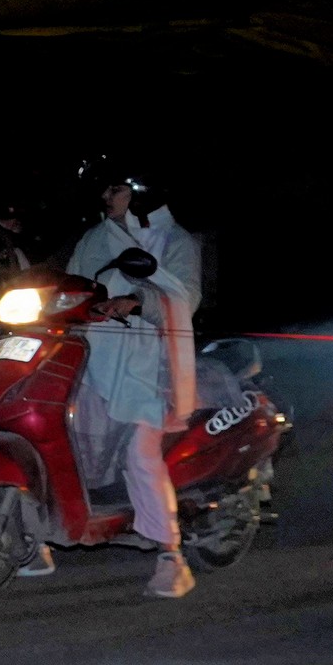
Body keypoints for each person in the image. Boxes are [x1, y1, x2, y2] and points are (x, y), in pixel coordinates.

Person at [77, 241, 200, 597]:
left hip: (149, 374)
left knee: (139, 455)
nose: (110, 209)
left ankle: (172, 557)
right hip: (94, 365)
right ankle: (31, 541)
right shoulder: (94, 238)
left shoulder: (174, 239)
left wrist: (138, 301)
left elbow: (184, 298)